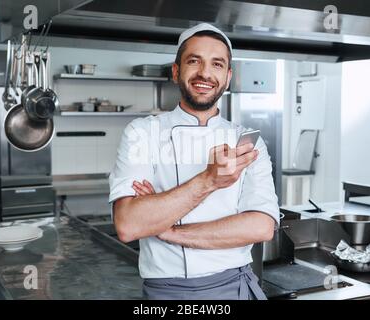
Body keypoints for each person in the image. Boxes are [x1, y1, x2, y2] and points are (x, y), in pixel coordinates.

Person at [109, 23, 279, 300]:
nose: (205, 73)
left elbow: (261, 226)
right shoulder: (142, 133)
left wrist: (167, 230)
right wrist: (210, 180)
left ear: (227, 76)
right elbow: (129, 225)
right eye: (194, 61)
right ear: (176, 71)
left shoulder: (247, 142)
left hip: (236, 285)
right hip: (167, 292)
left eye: (217, 64)